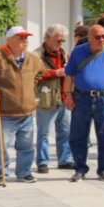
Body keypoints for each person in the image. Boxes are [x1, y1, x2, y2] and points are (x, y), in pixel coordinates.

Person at [0, 27, 46, 185]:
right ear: (9, 40)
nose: (24, 41)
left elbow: (41, 71)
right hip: (5, 113)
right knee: (2, 147)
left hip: (26, 113)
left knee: (26, 147)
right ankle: (2, 174)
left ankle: (24, 172)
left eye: (26, 38)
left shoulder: (33, 58)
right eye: (20, 38)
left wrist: (29, 85)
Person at [63, 23, 104, 181]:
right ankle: (80, 169)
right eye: (98, 37)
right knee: (78, 135)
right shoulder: (78, 51)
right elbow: (69, 75)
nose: (102, 39)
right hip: (82, 98)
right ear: (89, 37)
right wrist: (68, 96)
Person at [34, 24, 74, 174]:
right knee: (43, 133)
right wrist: (55, 73)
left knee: (65, 131)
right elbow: (34, 75)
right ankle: (42, 162)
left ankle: (64, 160)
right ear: (47, 38)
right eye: (58, 40)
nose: (61, 43)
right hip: (46, 99)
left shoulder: (64, 53)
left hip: (63, 97)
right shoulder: (36, 55)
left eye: (63, 40)